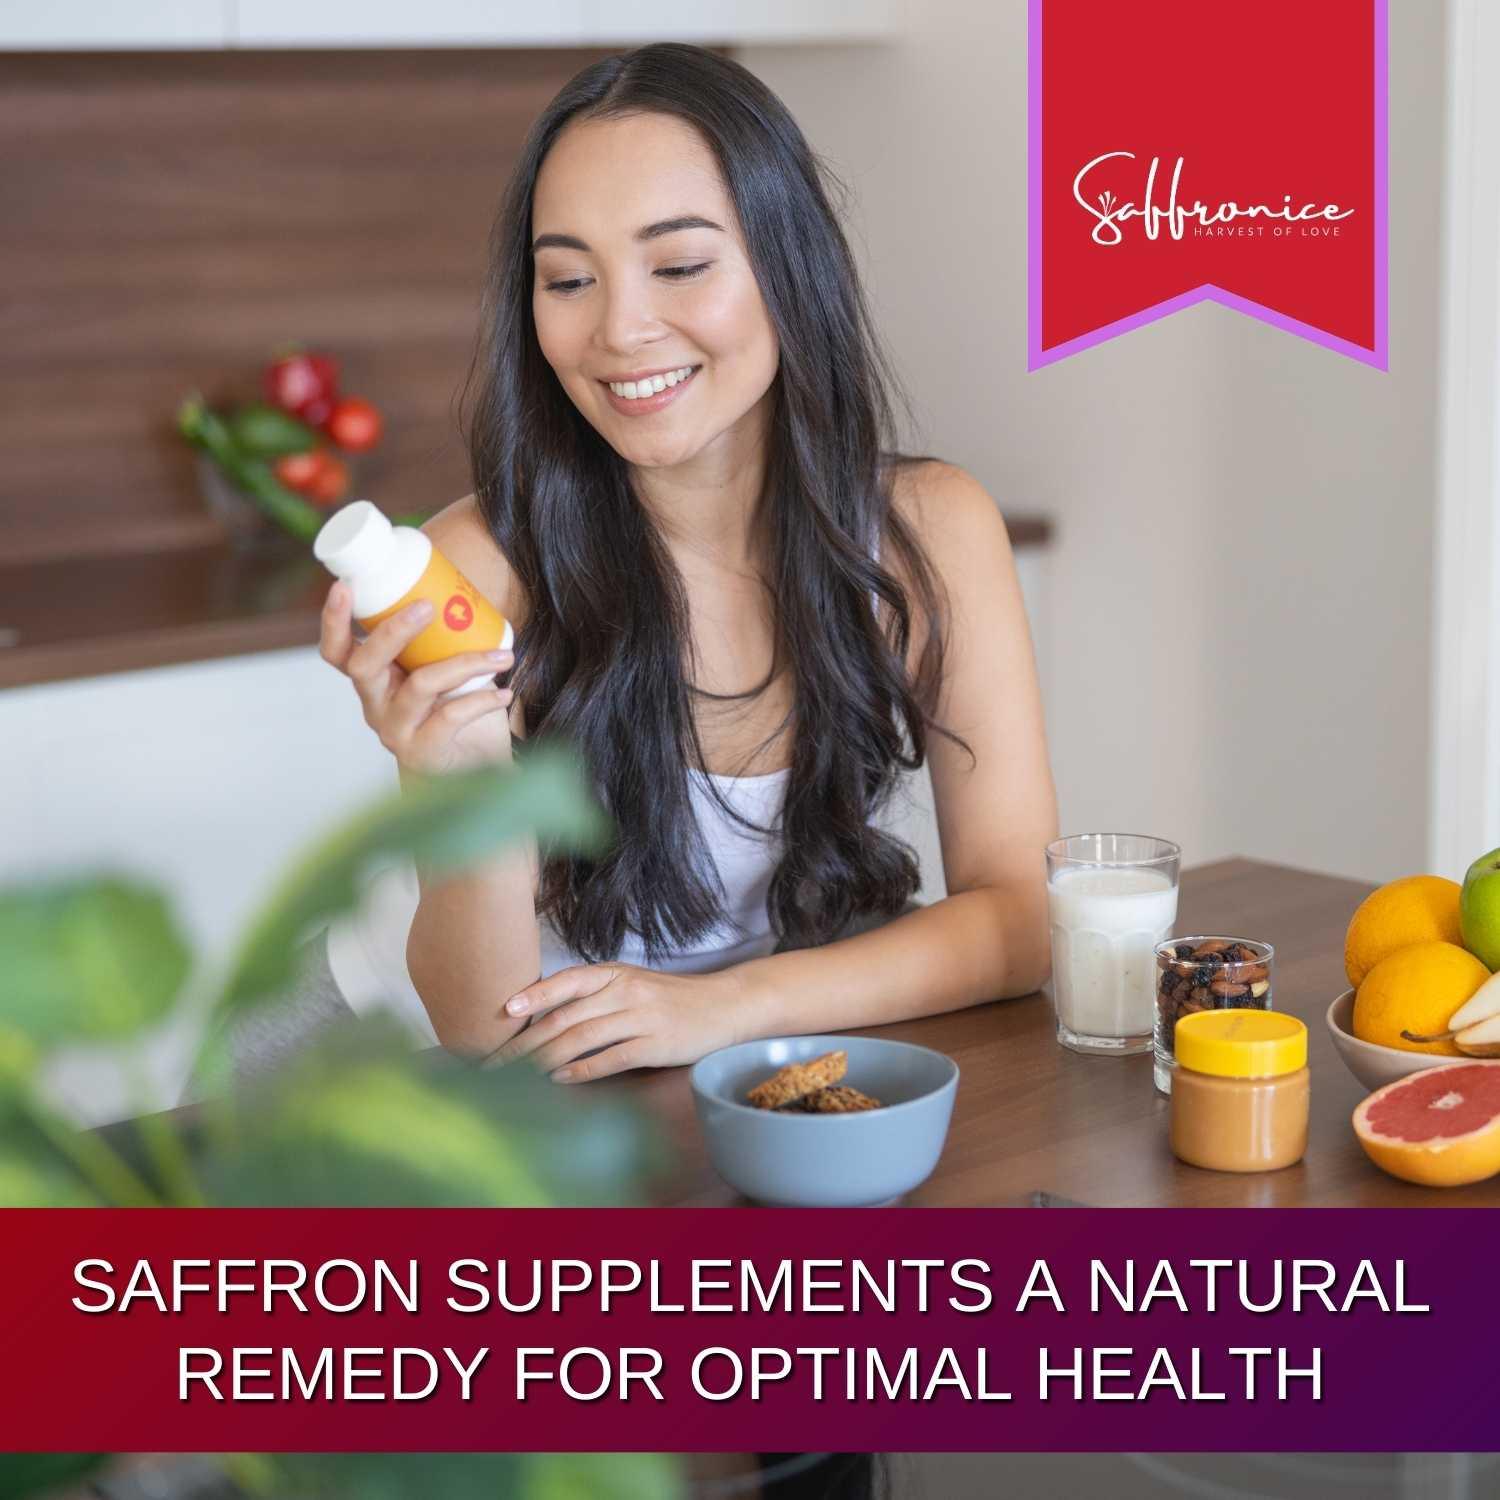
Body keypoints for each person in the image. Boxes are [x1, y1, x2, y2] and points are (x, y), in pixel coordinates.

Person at [317, 43, 1058, 1082]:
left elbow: (1022, 922)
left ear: (788, 267)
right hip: (388, 1075)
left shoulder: (930, 532)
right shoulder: (475, 574)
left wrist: (722, 1009)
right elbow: (485, 1032)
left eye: (679, 265)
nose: (620, 329)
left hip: (698, 1066)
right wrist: (458, 776)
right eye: (568, 278)